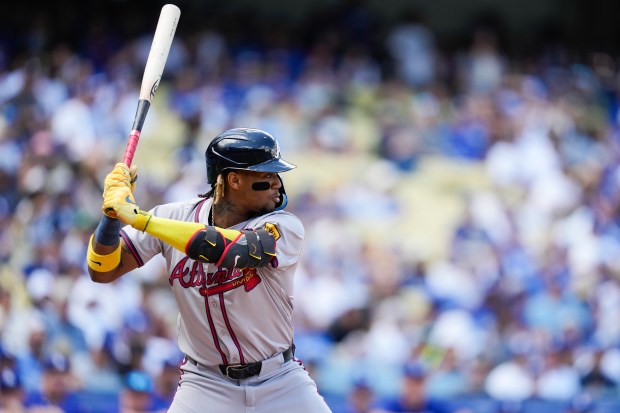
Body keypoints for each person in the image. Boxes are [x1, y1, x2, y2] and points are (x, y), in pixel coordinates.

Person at [87, 128, 332, 413]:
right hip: (205, 384)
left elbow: (232, 250)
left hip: (279, 380)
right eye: (266, 176)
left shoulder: (285, 226)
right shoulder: (173, 217)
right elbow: (102, 269)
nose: (277, 183)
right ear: (234, 179)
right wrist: (111, 216)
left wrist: (143, 221)